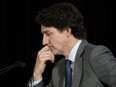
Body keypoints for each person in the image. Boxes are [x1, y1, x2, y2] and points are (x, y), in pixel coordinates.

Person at [27, 2, 116, 87]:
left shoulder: (95, 54)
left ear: (67, 31)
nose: (44, 42)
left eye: (48, 34)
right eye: (43, 35)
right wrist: (37, 74)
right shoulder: (58, 67)